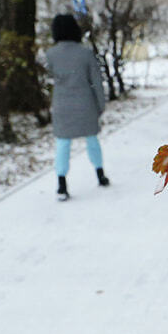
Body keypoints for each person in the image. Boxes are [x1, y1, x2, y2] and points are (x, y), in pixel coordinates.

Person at [45, 13, 109, 201]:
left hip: (62, 105)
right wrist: (100, 105)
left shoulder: (50, 55)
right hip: (85, 104)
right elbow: (96, 81)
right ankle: (100, 174)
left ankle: (61, 183)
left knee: (63, 144)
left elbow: (48, 80)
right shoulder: (85, 53)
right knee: (92, 141)